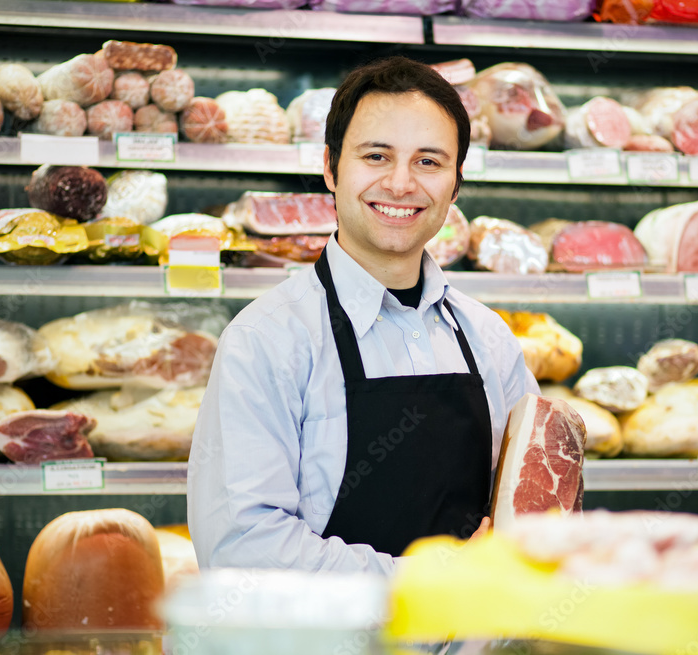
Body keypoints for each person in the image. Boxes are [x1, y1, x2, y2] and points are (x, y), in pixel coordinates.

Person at [187, 55, 539, 575]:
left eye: (429, 162)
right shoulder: (268, 340)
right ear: (330, 168)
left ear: (456, 184)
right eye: (376, 156)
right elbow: (242, 549)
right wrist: (425, 584)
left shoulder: (489, 339)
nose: (400, 184)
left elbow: (532, 502)